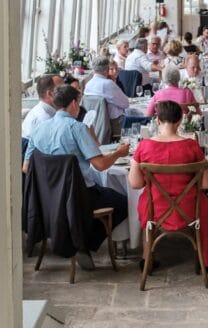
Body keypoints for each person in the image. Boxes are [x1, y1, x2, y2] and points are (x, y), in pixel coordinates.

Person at [23, 83, 130, 265]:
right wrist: (119, 153)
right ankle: (84, 243)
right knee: (122, 201)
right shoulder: (76, 128)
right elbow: (101, 164)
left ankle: (77, 238)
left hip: (47, 198)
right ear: (74, 103)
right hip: (79, 196)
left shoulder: (39, 129)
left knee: (104, 195)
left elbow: (26, 167)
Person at [129, 100, 208, 270]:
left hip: (156, 208)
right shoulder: (192, 146)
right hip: (189, 208)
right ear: (181, 120)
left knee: (145, 201)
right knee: (204, 203)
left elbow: (136, 184)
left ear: (157, 120)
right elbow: (206, 184)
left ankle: (147, 259)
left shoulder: (144, 146)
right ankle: (204, 261)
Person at [83, 55, 129, 127]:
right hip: (113, 124)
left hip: (93, 123)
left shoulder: (88, 84)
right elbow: (126, 103)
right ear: (106, 70)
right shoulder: (108, 84)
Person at [21, 74, 63, 139]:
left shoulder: (51, 112)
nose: (66, 92)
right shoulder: (44, 120)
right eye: (61, 90)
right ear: (49, 94)